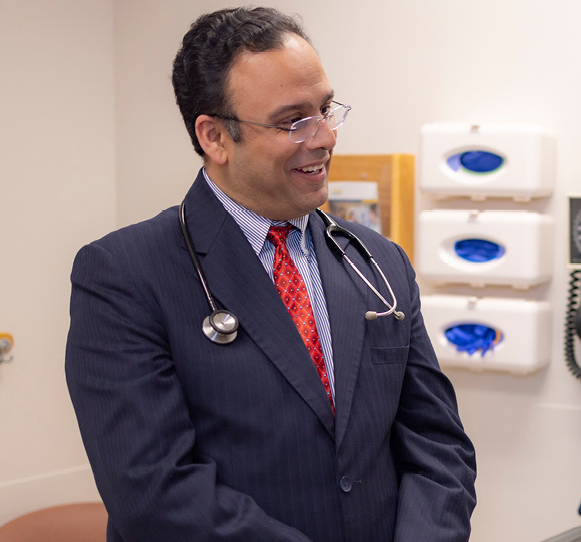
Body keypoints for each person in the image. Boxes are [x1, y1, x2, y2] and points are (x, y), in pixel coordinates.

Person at [65, 7, 476, 542]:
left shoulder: (379, 262)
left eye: (326, 109)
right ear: (215, 137)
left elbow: (438, 444)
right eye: (293, 121)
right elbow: (154, 490)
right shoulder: (124, 275)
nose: (325, 137)